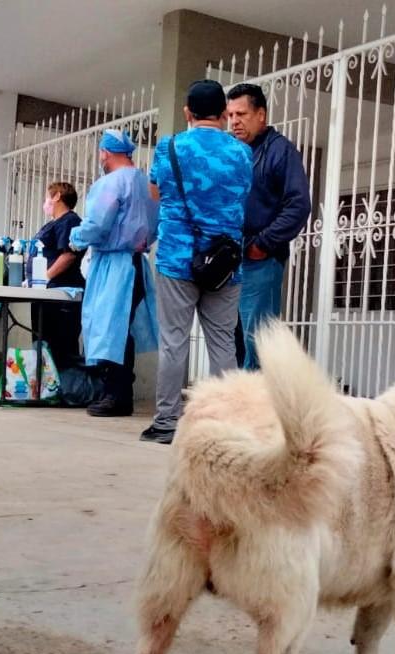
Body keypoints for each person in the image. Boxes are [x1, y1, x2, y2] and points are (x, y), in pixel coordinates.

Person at [140, 79, 253, 444]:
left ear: (188, 112)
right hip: (224, 262)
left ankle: (166, 423)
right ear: (223, 114)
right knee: (222, 342)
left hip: (177, 257)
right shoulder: (241, 153)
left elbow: (155, 193)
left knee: (174, 341)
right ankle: (228, 424)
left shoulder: (169, 147)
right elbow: (241, 196)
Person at [69, 130, 157, 418]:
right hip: (136, 262)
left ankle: (115, 395)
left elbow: (96, 225)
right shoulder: (147, 183)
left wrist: (76, 237)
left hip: (113, 265)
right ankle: (119, 393)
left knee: (109, 330)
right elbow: (156, 223)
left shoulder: (110, 183)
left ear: (105, 153)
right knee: (123, 330)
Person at [226, 83, 311, 370]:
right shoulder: (235, 153)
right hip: (230, 260)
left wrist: (263, 244)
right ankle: (237, 404)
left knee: (257, 340)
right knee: (231, 338)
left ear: (261, 114)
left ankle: (257, 408)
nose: (235, 121)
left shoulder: (280, 151)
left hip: (258, 260)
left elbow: (298, 205)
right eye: (230, 115)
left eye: (241, 114)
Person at [30, 181, 83, 369]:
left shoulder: (69, 221)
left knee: (61, 345)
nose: (46, 202)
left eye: (47, 196)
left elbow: (68, 255)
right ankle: (46, 388)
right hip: (46, 293)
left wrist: (44, 277)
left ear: (57, 196)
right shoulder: (54, 224)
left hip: (61, 293)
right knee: (44, 342)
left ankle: (66, 389)